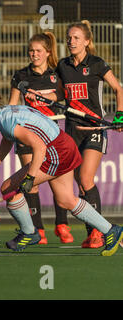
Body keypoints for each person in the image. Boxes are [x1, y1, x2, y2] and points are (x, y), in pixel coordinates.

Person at [0, 86, 123, 256]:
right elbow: (7, 139)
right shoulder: (4, 114)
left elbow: (39, 147)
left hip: (54, 151)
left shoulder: (6, 120)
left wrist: (30, 177)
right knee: (66, 199)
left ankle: (29, 232)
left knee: (8, 188)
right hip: (62, 145)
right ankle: (111, 231)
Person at [54, 20, 123, 248]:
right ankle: (92, 232)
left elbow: (118, 89)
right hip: (72, 129)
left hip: (94, 128)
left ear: (87, 42)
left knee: (85, 178)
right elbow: (58, 95)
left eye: (76, 38)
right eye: (69, 37)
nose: (71, 41)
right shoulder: (63, 66)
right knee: (80, 185)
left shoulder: (96, 64)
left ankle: (99, 232)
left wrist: (120, 116)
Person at [9, 31, 73, 244]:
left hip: (51, 137)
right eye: (31, 51)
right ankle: (38, 229)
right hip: (28, 137)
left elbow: (64, 95)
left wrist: (47, 97)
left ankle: (61, 224)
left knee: (58, 181)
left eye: (38, 51)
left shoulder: (56, 76)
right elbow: (13, 105)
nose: (34, 54)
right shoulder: (21, 76)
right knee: (32, 182)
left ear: (47, 53)